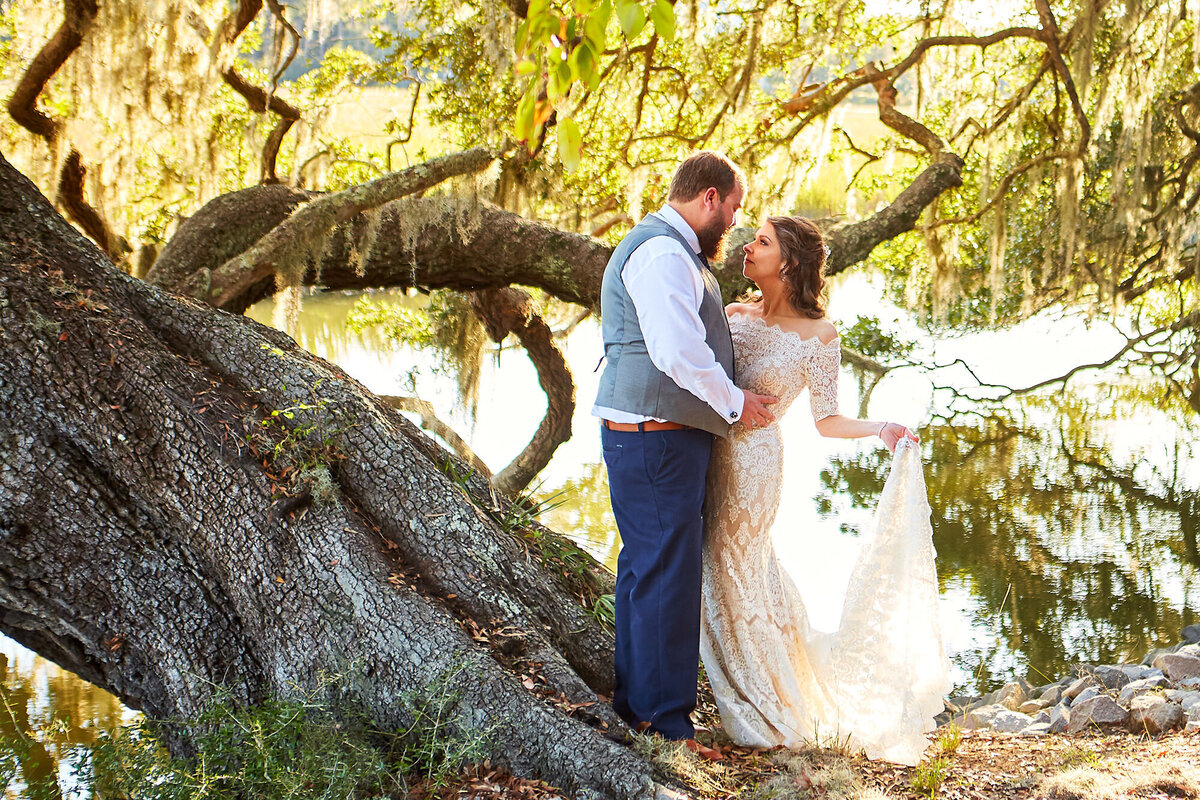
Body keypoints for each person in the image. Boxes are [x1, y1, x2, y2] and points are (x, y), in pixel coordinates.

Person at [699, 215, 951, 766]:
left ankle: (764, 699)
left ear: (787, 263)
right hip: (707, 455)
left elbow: (826, 419)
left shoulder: (821, 337)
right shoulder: (731, 313)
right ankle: (749, 677)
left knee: (738, 568)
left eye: (761, 243)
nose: (747, 247)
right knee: (718, 568)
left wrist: (879, 428)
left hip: (755, 467)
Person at [593, 151, 777, 758]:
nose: (733, 223)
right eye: (732, 209)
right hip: (655, 438)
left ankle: (638, 708)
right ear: (708, 199)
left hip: (657, 437)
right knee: (667, 576)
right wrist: (735, 404)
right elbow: (676, 353)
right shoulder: (663, 253)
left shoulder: (674, 252)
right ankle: (666, 724)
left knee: (650, 570)